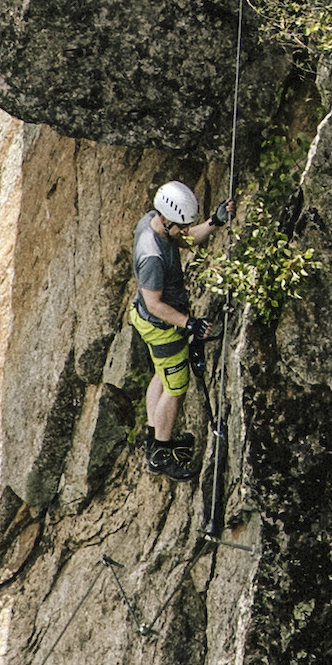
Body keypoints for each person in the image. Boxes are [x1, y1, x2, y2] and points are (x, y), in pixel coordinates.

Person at [131, 180, 208, 484]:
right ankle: (160, 454)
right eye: (181, 226)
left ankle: (154, 436)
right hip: (161, 326)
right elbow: (155, 303)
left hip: (149, 322)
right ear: (166, 220)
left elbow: (186, 239)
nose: (185, 231)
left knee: (161, 377)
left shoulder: (155, 221)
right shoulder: (151, 256)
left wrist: (214, 222)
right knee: (175, 387)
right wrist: (189, 324)